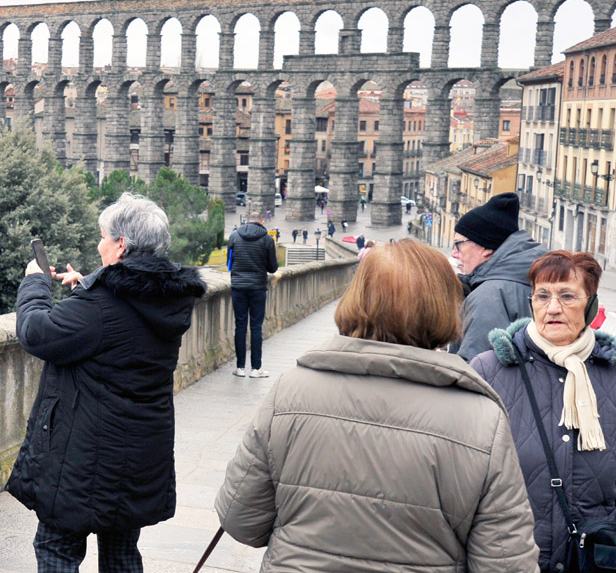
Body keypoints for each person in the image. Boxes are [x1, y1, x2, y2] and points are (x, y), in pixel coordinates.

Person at [215, 239, 539, 571]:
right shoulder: (482, 420)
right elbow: (506, 562)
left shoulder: (291, 392)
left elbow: (240, 520)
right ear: (446, 305)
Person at [6, 193, 207, 572]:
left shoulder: (100, 307)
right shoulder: (165, 299)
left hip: (85, 459)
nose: (98, 244)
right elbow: (122, 327)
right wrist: (90, 285)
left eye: (102, 236)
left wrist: (35, 283)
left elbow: (36, 332)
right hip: (140, 454)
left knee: (56, 548)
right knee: (120, 553)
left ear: (121, 245)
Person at [471, 251, 616, 572]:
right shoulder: (489, 370)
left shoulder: (612, 374)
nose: (553, 308)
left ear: (591, 305)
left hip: (593, 559)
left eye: (567, 296)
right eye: (542, 296)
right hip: (512, 559)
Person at [451, 192, 548, 361]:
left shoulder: (488, 296)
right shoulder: (539, 276)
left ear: (486, 248)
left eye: (458, 244)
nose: (454, 253)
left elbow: (472, 371)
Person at [227, 210, 279, 378]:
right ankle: (256, 369)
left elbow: (229, 263)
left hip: (238, 287)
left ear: (246, 221)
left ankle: (240, 367)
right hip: (257, 287)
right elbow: (273, 267)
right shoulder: (267, 239)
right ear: (261, 222)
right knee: (256, 327)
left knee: (240, 326)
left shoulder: (234, 237)